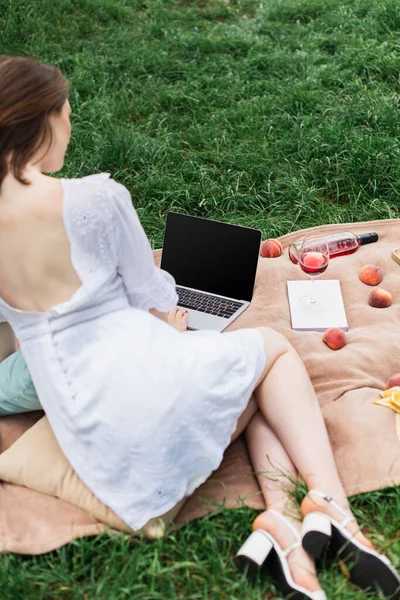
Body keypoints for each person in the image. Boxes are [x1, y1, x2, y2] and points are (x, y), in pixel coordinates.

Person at [0, 56, 398, 600]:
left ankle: (280, 522)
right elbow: (152, 291)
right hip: (151, 430)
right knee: (271, 351)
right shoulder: (93, 198)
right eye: (67, 114)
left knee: (242, 370)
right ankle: (331, 505)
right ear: (40, 123)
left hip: (95, 443)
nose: (70, 125)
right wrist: (172, 322)